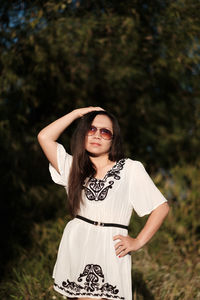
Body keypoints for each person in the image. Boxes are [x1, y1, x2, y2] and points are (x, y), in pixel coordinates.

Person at [37, 107, 169, 300]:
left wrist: (138, 241)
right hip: (77, 243)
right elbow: (44, 137)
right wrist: (76, 114)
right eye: (90, 130)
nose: (97, 135)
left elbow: (161, 207)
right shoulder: (73, 167)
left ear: (113, 139)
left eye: (105, 132)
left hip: (110, 247)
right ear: (82, 134)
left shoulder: (130, 169)